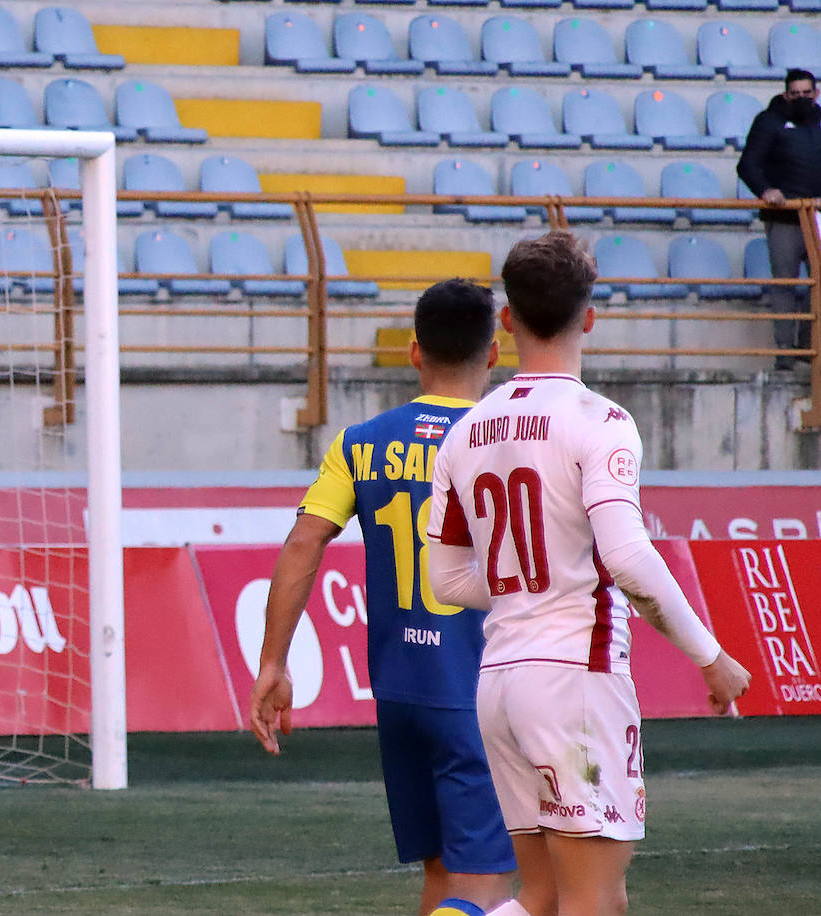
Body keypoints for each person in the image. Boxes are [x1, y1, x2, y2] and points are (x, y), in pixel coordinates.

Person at [425, 231, 752, 916]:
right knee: (595, 901)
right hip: (574, 678)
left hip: (501, 683)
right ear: (592, 317)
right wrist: (710, 655)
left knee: (542, 896)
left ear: (507, 320)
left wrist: (533, 577)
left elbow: (447, 583)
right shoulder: (599, 422)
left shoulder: (465, 432)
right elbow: (628, 557)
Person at [250, 280, 515, 916]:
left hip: (398, 693)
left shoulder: (359, 441)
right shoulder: (507, 444)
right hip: (476, 690)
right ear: (494, 353)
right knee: (484, 890)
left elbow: (301, 544)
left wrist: (272, 663)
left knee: (441, 880)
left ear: (413, 352)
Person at [737, 68, 821, 371]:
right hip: (784, 220)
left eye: (806, 93)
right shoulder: (769, 121)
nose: (801, 99)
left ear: (816, 93)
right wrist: (765, 190)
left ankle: (811, 349)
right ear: (786, 94)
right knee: (785, 284)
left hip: (817, 219)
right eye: (795, 94)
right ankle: (785, 353)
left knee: (819, 286)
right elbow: (747, 164)